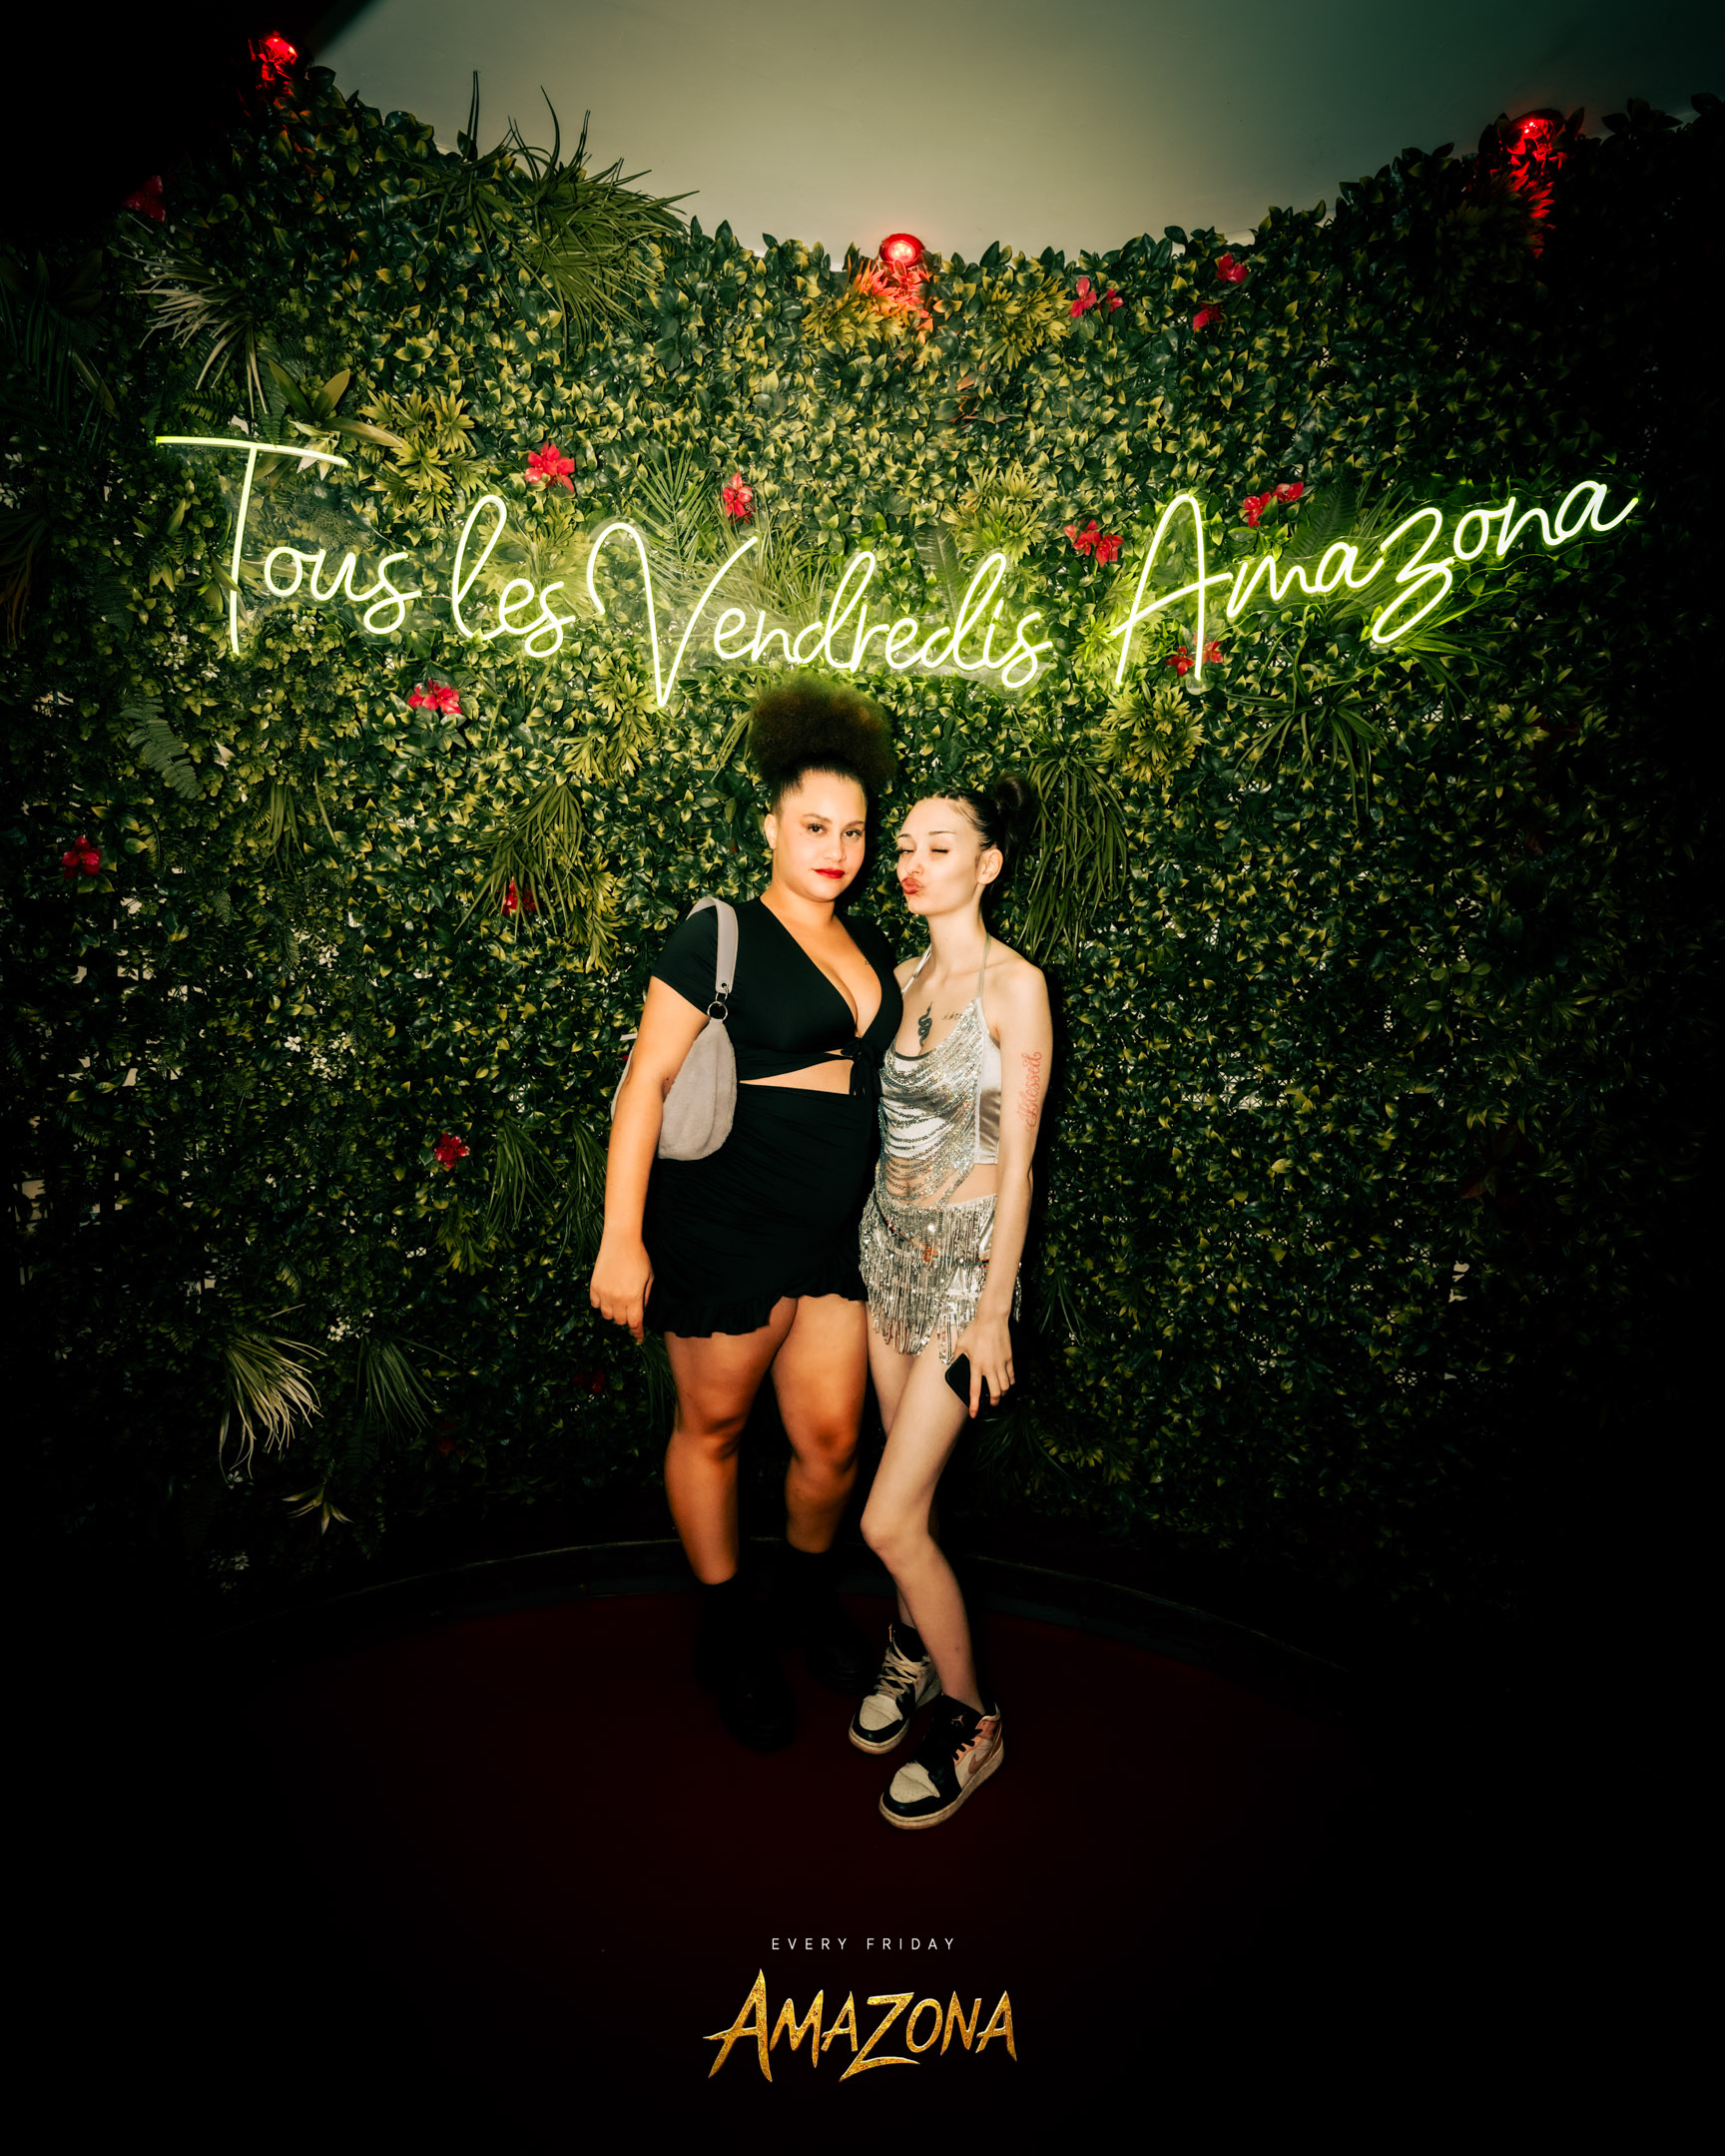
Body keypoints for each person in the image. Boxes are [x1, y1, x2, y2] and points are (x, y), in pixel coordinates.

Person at [589, 680, 901, 1750]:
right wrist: (621, 1238)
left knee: (832, 1442)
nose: (836, 849)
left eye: (853, 831)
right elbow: (646, 1086)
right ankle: (728, 1634)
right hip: (724, 1223)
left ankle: (800, 1606)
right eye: (814, 827)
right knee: (714, 1429)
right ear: (770, 826)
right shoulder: (716, 935)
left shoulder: (870, 945)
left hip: (835, 1236)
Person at [853, 777, 1051, 1828]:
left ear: (988, 865)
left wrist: (992, 1309)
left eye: (938, 847)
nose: (911, 864)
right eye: (904, 848)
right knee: (911, 1497)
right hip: (886, 1258)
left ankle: (975, 1721)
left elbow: (1018, 1164)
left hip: (965, 1275)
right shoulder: (898, 979)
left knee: (886, 1517)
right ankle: (912, 1648)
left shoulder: (1016, 987)